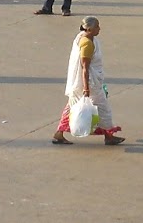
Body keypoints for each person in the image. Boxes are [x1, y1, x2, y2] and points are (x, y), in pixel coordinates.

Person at [52, 16, 123, 145]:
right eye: (97, 27)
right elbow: (85, 68)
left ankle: (59, 133)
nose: (99, 29)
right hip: (89, 83)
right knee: (103, 109)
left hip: (84, 83)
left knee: (72, 107)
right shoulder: (87, 44)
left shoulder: (86, 38)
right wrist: (86, 88)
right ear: (89, 29)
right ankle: (109, 136)